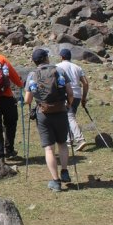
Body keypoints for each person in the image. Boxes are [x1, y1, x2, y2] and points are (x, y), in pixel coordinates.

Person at [24, 48, 74, 192]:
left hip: (43, 113)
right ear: (46, 58)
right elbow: (70, 92)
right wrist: (68, 104)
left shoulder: (33, 75)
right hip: (61, 111)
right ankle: (65, 171)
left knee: (49, 148)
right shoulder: (59, 71)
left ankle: (56, 181)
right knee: (63, 143)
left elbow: (27, 100)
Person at [56, 48, 89, 151]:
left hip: (66, 95)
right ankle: (69, 140)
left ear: (61, 57)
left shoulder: (57, 67)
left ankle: (80, 139)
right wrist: (84, 98)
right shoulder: (77, 67)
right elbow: (86, 83)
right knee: (69, 116)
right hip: (77, 95)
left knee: (69, 117)